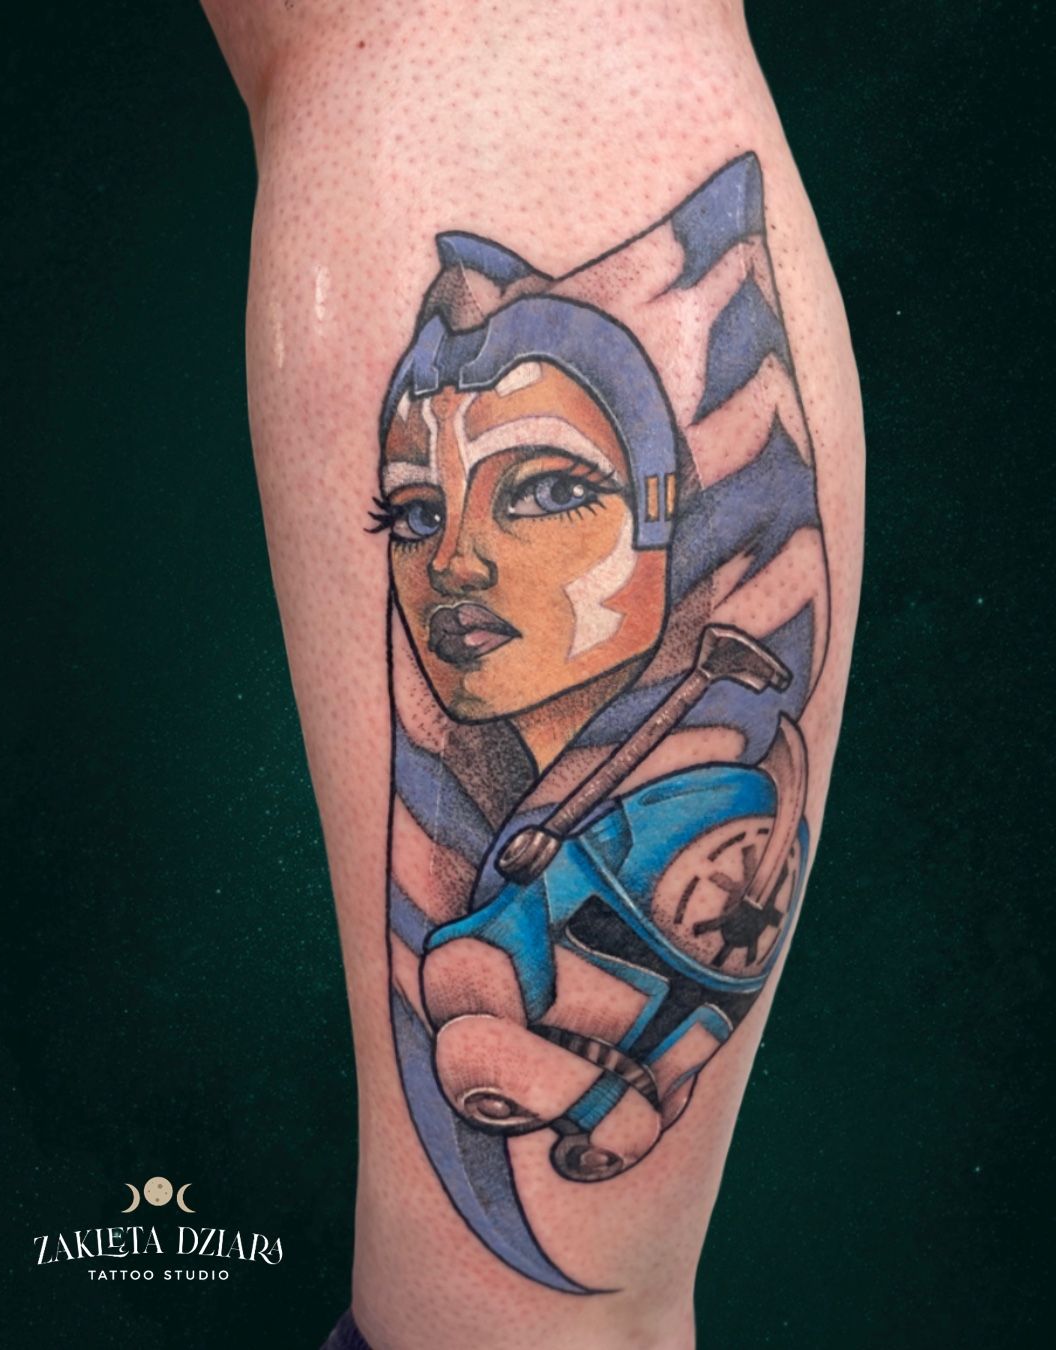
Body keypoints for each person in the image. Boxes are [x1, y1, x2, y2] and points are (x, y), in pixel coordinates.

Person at [200, 3, 864, 1346]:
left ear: (671, 514)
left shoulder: (714, 752)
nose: (449, 561)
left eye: (548, 491)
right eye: (411, 510)